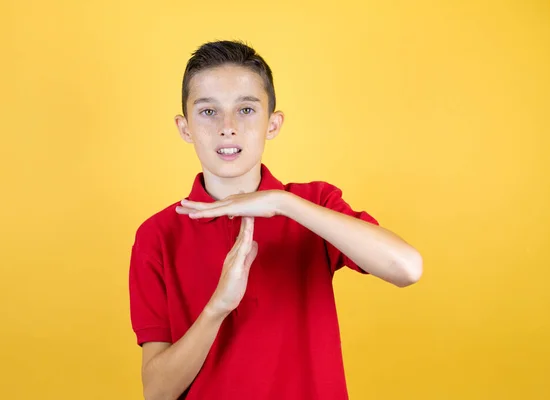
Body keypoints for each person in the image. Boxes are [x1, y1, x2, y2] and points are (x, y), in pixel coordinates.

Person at [129, 40, 423, 400]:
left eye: (247, 109)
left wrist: (284, 203)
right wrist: (217, 308)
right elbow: (156, 393)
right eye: (208, 112)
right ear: (185, 127)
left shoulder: (313, 204)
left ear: (273, 123)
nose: (228, 127)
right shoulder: (157, 235)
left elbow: (407, 268)